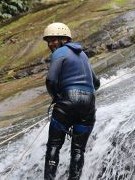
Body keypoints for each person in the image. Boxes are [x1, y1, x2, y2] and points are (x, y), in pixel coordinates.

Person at [43, 22, 100, 180]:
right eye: (48, 41)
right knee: (78, 150)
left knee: (54, 145)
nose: (50, 44)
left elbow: (51, 81)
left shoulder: (59, 53)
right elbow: (96, 83)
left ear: (64, 39)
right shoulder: (83, 55)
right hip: (88, 104)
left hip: (67, 102)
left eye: (53, 40)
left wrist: (56, 98)